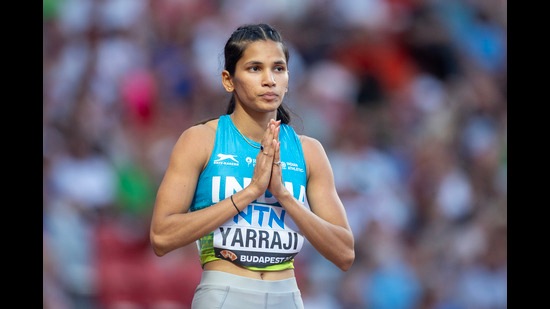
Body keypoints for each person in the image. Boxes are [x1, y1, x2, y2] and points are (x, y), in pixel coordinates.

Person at [150, 23, 355, 309]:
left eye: (278, 68)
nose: (269, 80)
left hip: (287, 295)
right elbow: (162, 236)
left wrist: (284, 196)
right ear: (228, 80)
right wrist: (250, 192)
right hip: (224, 293)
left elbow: (344, 252)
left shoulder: (309, 151)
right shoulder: (201, 140)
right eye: (255, 68)